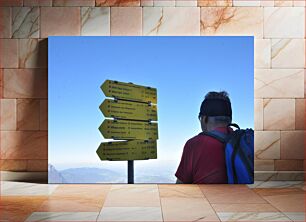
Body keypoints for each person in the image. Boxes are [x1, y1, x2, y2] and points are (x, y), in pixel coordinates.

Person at [175, 91, 233, 184]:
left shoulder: (195, 144)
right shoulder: (243, 141)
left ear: (204, 118)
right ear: (230, 120)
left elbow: (180, 186)